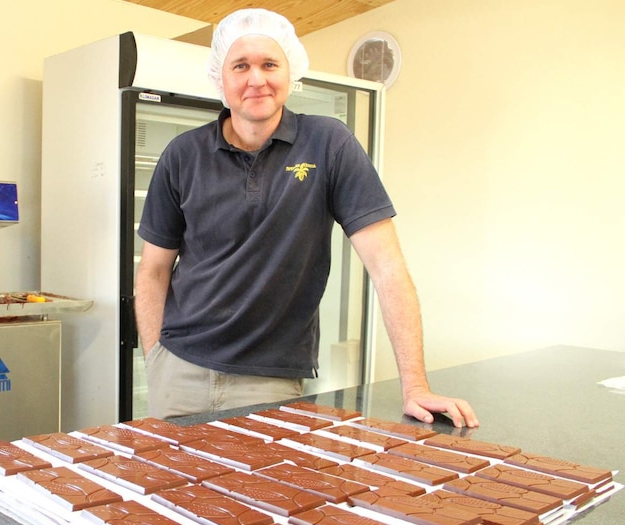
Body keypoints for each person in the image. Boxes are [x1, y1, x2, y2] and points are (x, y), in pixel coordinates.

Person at [135, 8, 478, 428]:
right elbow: (153, 270)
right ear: (219, 78)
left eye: (269, 64)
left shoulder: (328, 144)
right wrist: (155, 358)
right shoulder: (182, 156)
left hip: (271, 381)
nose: (256, 79)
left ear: (289, 72)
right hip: (179, 372)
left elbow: (387, 267)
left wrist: (416, 386)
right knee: (177, 493)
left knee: (265, 494)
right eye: (240, 65)